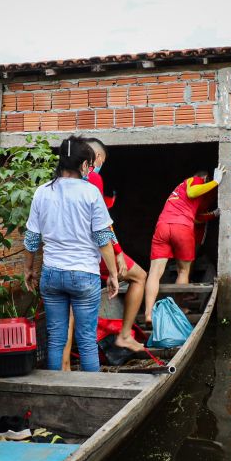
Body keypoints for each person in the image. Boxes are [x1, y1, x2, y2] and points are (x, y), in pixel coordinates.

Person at [23, 136, 119, 372]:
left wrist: (28, 269)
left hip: (52, 274)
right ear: (84, 165)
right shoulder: (90, 193)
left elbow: (32, 239)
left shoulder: (42, 192)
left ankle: (57, 392)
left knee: (56, 338)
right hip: (84, 274)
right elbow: (103, 239)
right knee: (86, 341)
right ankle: (90, 397)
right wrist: (113, 274)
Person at [81, 137, 147, 352]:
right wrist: (117, 252)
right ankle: (125, 336)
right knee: (140, 276)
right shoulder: (93, 177)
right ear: (97, 158)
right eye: (102, 162)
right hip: (95, 250)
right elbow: (102, 224)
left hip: (68, 255)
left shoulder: (60, 180)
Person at [144, 166, 224, 324]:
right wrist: (216, 181)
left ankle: (148, 314)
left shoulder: (178, 190)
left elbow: (196, 218)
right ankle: (178, 308)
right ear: (205, 178)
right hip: (182, 228)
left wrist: (212, 214)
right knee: (183, 270)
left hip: (162, 226)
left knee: (154, 272)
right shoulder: (195, 180)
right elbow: (193, 192)